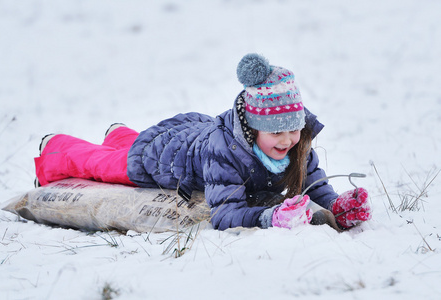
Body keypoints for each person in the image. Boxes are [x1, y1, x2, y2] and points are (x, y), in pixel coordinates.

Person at [34, 53, 371, 231]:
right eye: (276, 132)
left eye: (293, 130)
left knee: (128, 146)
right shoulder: (226, 153)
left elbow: (314, 182)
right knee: (106, 165)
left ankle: (119, 134)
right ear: (253, 129)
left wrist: (336, 205)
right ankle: (55, 148)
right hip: (163, 156)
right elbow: (223, 214)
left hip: (195, 131)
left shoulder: (295, 145)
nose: (287, 140)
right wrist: (268, 217)